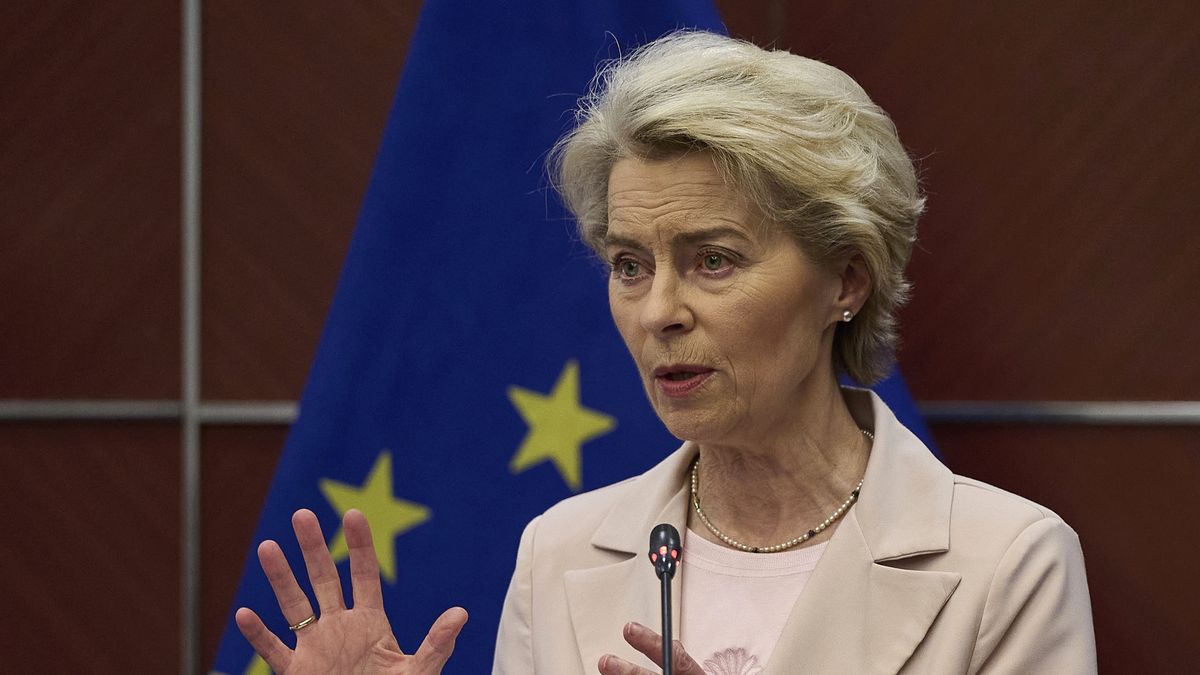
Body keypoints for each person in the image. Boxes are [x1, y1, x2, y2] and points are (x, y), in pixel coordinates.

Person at [236, 31, 1097, 674]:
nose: (658, 312)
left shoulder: (1006, 560)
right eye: (628, 264)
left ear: (847, 279)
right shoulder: (561, 551)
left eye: (712, 260)